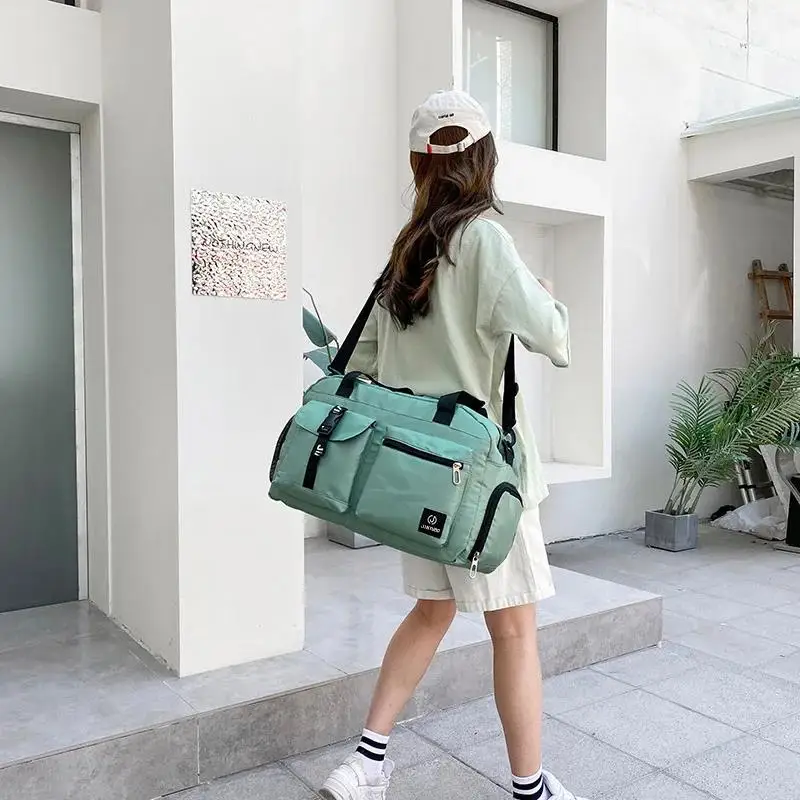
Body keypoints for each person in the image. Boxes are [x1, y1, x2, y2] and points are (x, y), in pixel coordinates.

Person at [319, 90, 584, 800]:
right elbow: (554, 335)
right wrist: (541, 289)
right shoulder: (484, 241)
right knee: (515, 632)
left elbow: (361, 364)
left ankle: (365, 764)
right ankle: (529, 788)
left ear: (420, 164)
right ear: (485, 157)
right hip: (483, 483)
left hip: (416, 475)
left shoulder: (407, 252)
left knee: (431, 611)